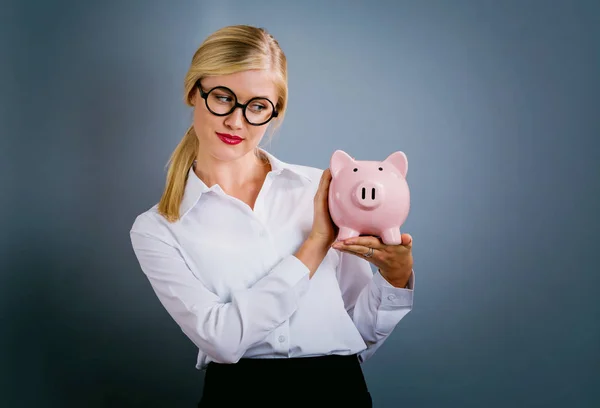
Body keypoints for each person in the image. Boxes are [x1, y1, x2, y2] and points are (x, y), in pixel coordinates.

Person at [129, 24, 415, 407]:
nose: (236, 121)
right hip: (238, 396)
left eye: (257, 106)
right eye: (222, 97)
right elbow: (222, 340)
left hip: (339, 391)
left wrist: (395, 280)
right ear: (192, 92)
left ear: (274, 112)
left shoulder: (324, 190)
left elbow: (358, 331)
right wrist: (315, 244)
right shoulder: (157, 229)